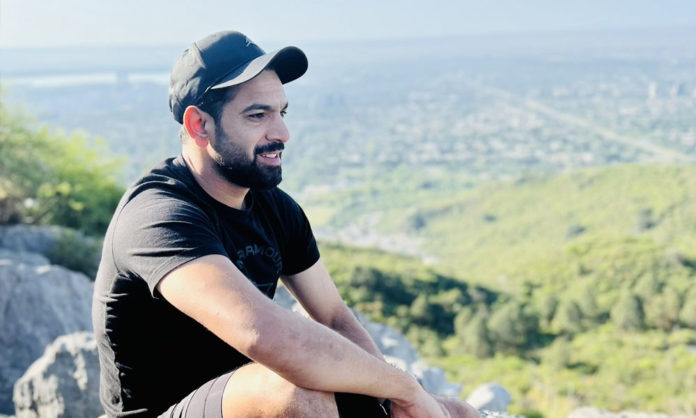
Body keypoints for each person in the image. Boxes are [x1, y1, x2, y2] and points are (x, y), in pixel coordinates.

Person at [92, 30, 481, 418]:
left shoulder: (273, 208)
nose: (281, 133)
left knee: (455, 412)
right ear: (200, 126)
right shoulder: (158, 217)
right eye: (258, 115)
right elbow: (264, 335)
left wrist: (392, 402)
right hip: (169, 411)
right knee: (296, 391)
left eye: (282, 113)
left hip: (243, 396)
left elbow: (333, 317)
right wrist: (405, 387)